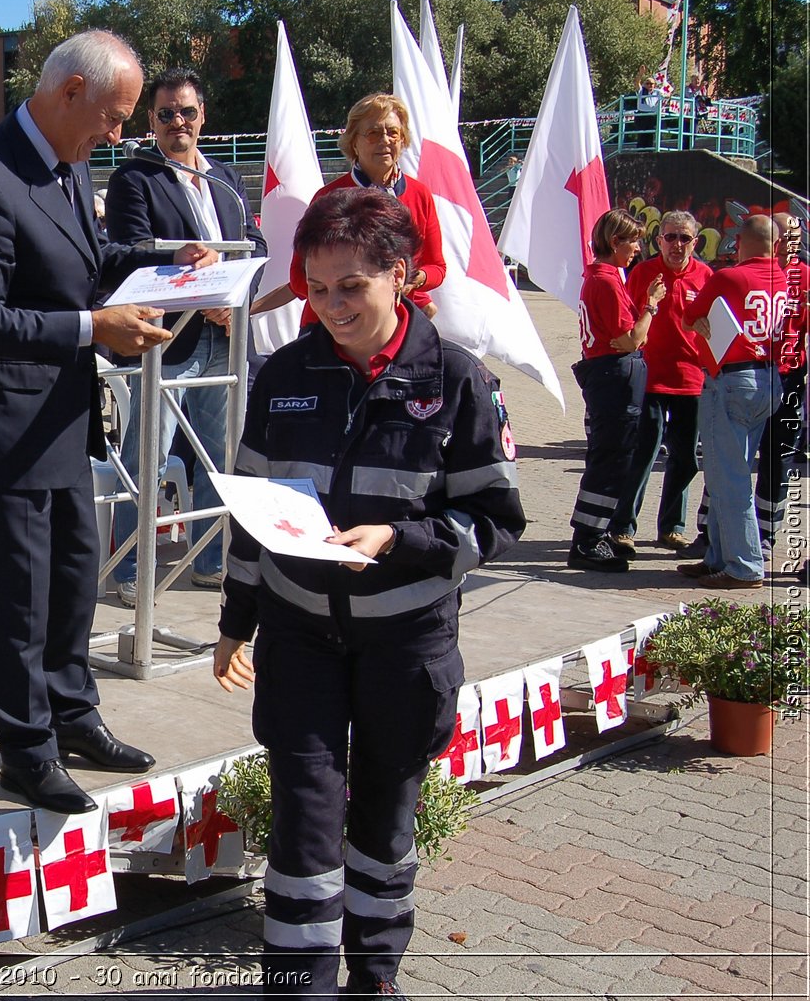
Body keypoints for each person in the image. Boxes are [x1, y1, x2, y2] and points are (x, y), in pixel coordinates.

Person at [212, 188, 524, 997]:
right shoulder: (285, 372)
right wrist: (234, 622)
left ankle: (374, 979)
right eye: (316, 289)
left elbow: (497, 522)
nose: (331, 306)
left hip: (405, 646)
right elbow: (252, 513)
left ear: (402, 273)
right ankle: (298, 984)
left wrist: (400, 540)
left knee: (385, 819)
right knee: (304, 821)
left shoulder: (456, 379)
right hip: (299, 640)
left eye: (351, 286)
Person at [0, 30, 214, 814]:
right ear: (71, 93)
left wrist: (166, 256)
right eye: (114, 117)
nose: (118, 134)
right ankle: (26, 748)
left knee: (73, 582)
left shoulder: (70, 164)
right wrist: (95, 328)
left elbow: (90, 258)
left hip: (60, 421)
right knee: (13, 599)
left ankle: (74, 717)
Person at [104, 67, 267, 605]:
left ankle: (209, 560)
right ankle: (128, 567)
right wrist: (191, 273)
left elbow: (255, 244)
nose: (179, 122)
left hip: (226, 337)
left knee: (220, 457)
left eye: (188, 112)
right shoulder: (136, 177)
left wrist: (234, 295)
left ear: (204, 117)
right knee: (146, 458)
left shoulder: (224, 177)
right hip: (169, 341)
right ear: (150, 120)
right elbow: (127, 252)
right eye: (167, 113)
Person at [251, 93, 443, 324]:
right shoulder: (328, 198)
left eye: (393, 132)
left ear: (403, 140)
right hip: (333, 323)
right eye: (373, 133)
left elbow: (437, 267)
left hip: (398, 323)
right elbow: (301, 277)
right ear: (354, 141)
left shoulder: (420, 194)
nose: (385, 140)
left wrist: (415, 280)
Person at [680, 214, 787, 589]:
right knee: (731, 472)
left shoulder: (728, 277)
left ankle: (744, 565)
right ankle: (720, 557)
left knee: (729, 478)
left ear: (740, 242)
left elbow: (690, 314)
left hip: (731, 379)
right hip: (768, 377)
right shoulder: (784, 278)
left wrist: (699, 321)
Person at [608, 211, 710, 552]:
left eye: (684, 238)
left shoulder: (706, 277)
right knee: (642, 454)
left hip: (691, 380)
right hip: (649, 378)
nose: (677, 245)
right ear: (658, 240)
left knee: (684, 459)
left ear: (695, 242)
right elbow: (626, 320)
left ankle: (671, 527)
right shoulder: (643, 273)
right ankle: (623, 526)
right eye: (670, 237)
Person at [566, 208, 662, 574]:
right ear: (614, 241)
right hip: (612, 377)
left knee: (614, 457)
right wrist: (650, 306)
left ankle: (597, 531)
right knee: (610, 458)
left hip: (611, 376)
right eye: (633, 240)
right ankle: (587, 539)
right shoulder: (604, 280)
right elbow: (628, 340)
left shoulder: (606, 277)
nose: (638, 248)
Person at [756, 212, 806, 554]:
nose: (793, 242)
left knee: (780, 455)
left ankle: (767, 530)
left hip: (791, 376)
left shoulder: (805, 275)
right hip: (754, 375)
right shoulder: (757, 272)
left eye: (798, 236)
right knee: (738, 456)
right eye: (786, 235)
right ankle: (713, 529)